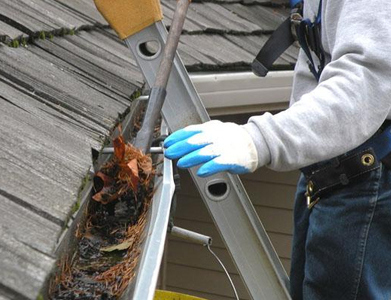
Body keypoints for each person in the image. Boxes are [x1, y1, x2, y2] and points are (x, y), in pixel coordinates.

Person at [164, 0, 391, 299]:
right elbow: (318, 65)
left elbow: (365, 84)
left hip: (365, 175)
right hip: (326, 169)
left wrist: (260, 140)